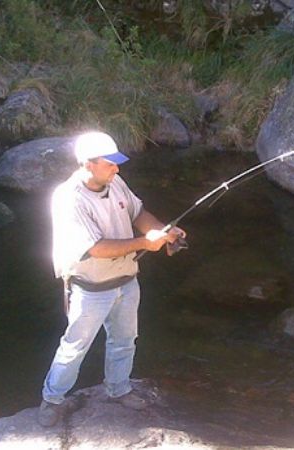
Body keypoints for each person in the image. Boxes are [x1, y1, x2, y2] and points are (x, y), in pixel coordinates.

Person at [38, 131, 185, 427]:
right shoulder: (69, 199)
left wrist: (165, 232)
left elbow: (138, 212)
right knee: (74, 347)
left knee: (124, 340)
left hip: (126, 281)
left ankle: (118, 389)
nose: (117, 168)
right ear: (88, 164)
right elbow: (97, 248)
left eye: (117, 163)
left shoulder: (114, 182)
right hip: (89, 289)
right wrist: (145, 243)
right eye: (110, 164)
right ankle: (52, 399)